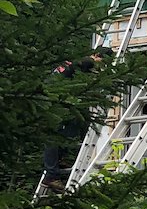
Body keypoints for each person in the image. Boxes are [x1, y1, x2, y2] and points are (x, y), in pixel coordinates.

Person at [41, 48, 110, 192]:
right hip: (54, 97)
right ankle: (51, 175)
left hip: (52, 95)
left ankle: (58, 161)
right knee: (54, 136)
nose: (101, 67)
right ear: (97, 56)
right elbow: (86, 85)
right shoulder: (87, 62)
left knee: (73, 124)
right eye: (102, 62)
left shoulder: (77, 59)